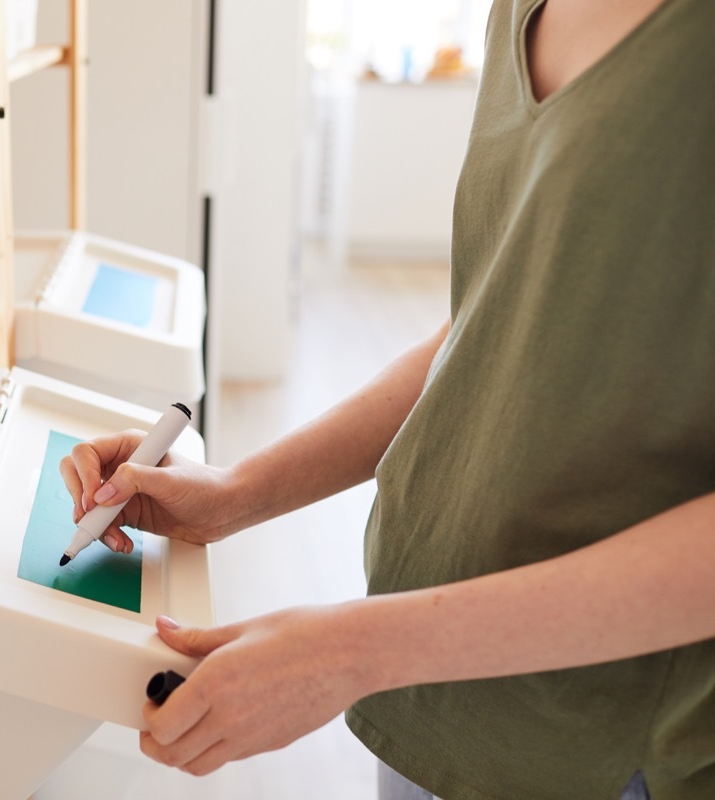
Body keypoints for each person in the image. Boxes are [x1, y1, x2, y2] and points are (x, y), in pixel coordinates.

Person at [59, 0, 715, 797]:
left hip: (597, 740)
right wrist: (234, 493)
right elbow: (491, 323)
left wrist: (352, 651)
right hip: (428, 679)